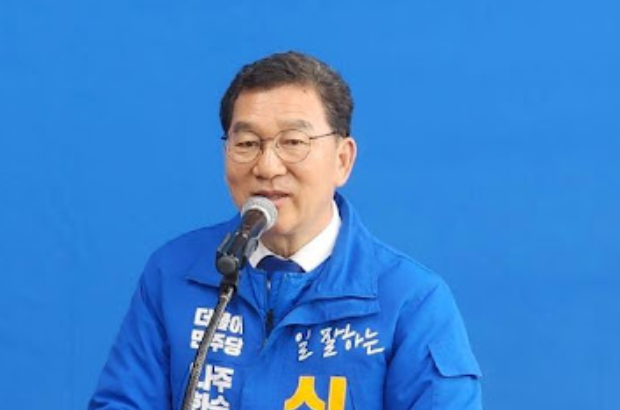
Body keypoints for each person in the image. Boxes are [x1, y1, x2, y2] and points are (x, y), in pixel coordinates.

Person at [89, 51, 482, 409]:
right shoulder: (175, 273)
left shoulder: (410, 301)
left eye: (293, 141)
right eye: (247, 143)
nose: (267, 167)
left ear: (342, 160)